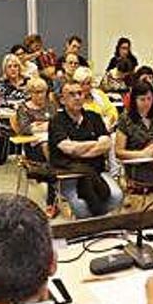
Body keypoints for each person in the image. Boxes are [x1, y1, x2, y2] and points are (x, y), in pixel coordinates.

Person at [49, 80, 123, 218]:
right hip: (70, 174)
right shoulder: (56, 121)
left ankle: (97, 224)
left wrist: (78, 149)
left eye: (80, 93)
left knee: (116, 196)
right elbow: (68, 148)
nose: (77, 97)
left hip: (97, 171)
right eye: (72, 94)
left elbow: (106, 144)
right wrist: (94, 143)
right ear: (62, 100)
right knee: (81, 206)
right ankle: (93, 227)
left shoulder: (93, 117)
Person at [14, 77, 59, 216]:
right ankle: (52, 201)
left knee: (56, 148)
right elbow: (25, 129)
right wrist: (45, 126)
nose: (39, 95)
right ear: (30, 92)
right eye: (36, 92)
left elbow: (58, 124)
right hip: (33, 148)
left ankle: (59, 192)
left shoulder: (51, 105)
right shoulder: (23, 108)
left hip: (54, 144)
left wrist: (42, 125)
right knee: (50, 154)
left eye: (42, 91)